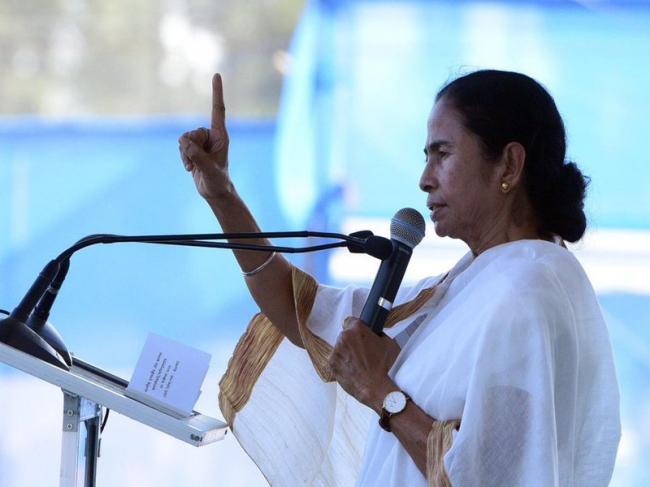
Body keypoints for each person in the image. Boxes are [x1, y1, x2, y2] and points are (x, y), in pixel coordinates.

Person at [178, 70, 621, 486]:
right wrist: (223, 195)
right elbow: (300, 311)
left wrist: (381, 392)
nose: (425, 180)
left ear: (508, 165)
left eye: (442, 154)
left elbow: (489, 475)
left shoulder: (529, 288)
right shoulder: (475, 280)